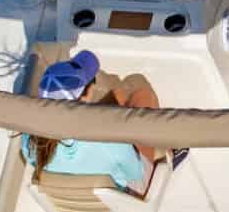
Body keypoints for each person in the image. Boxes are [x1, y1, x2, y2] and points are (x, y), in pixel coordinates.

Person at [20, 49, 162, 197]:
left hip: (71, 200)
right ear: (86, 94)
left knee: (118, 95)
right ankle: (165, 150)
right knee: (142, 92)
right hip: (122, 196)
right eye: (92, 80)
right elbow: (136, 174)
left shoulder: (28, 139)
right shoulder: (111, 141)